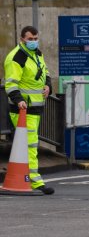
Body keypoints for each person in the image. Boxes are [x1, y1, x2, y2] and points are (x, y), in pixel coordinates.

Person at [4, 26, 54, 195]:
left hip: (35, 107)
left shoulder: (37, 54)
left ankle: (27, 178)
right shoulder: (16, 57)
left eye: (35, 38)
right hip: (23, 109)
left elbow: (45, 72)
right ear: (22, 39)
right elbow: (11, 83)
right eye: (30, 39)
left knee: (30, 144)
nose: (33, 42)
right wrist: (19, 101)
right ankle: (35, 181)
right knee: (30, 145)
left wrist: (48, 86)